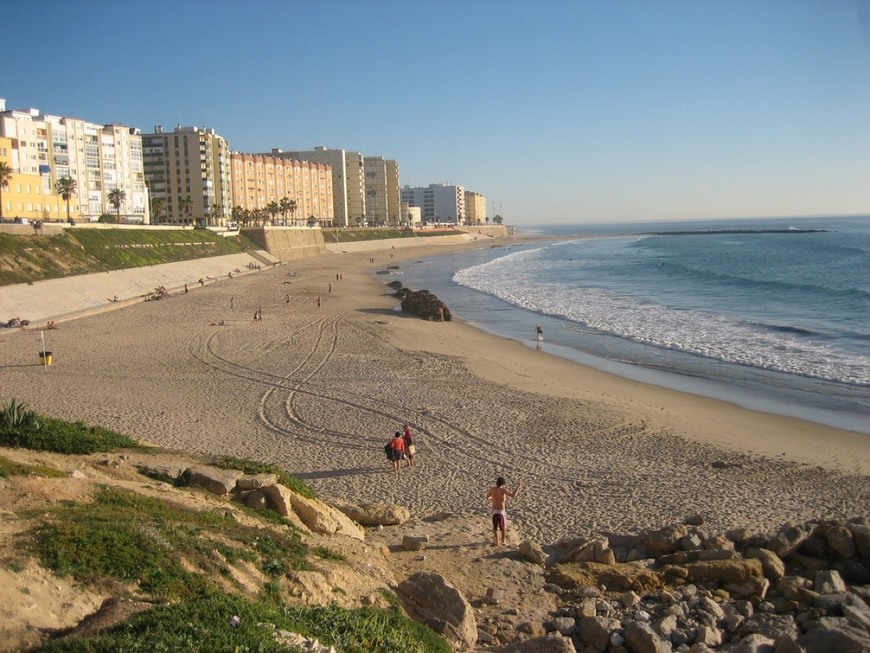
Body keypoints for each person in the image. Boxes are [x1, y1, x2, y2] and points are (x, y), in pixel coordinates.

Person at [485, 477, 521, 546]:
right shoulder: (503, 490)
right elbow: (513, 495)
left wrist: (492, 498)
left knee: (494, 527)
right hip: (501, 511)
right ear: (502, 484)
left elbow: (487, 497)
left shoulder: (492, 489)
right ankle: (503, 541)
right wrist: (518, 487)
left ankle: (497, 542)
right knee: (503, 526)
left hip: (494, 510)